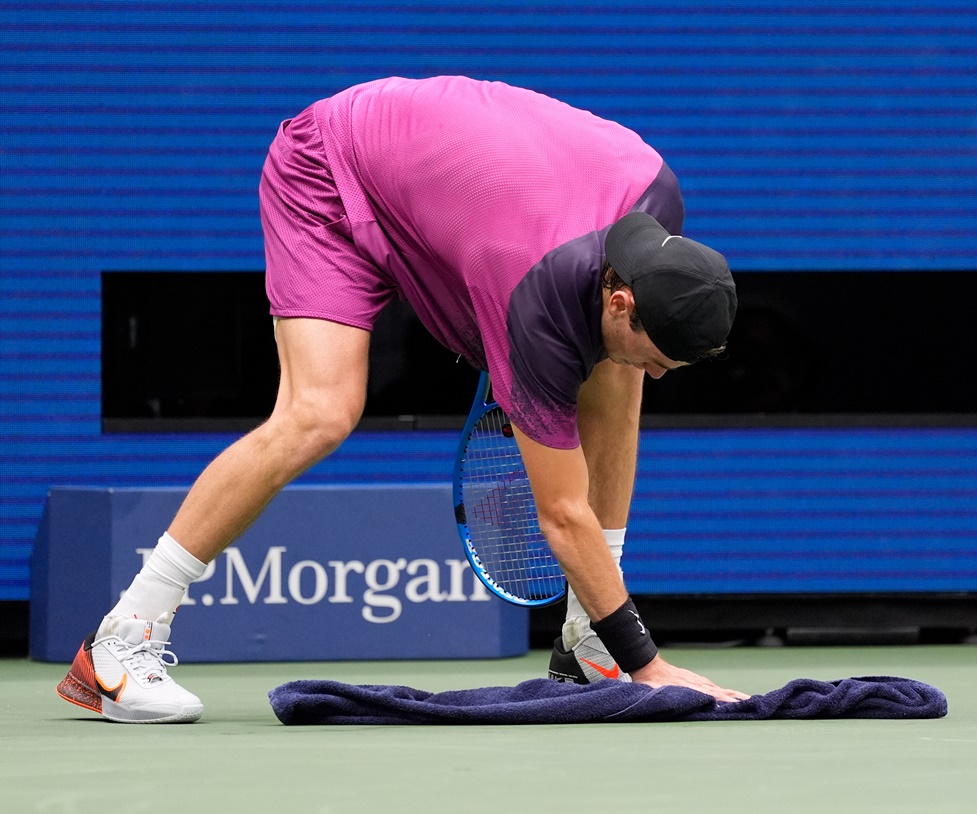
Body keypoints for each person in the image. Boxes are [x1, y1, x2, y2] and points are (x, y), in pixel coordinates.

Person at [55, 75, 743, 723]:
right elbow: (560, 514)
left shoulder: (657, 204)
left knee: (614, 372)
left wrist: (612, 634)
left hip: (436, 174)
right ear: (620, 298)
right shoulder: (532, 290)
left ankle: (589, 639)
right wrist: (647, 664)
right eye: (659, 359)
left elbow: (611, 349)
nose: (659, 376)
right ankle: (120, 642)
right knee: (318, 413)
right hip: (329, 166)